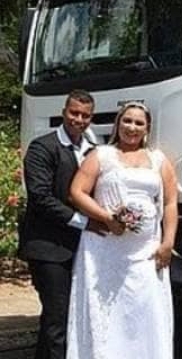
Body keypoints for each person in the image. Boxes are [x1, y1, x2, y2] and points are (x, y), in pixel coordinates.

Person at [67, 102, 178, 359]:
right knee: (107, 310)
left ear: (147, 128)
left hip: (147, 250)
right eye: (127, 121)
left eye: (139, 123)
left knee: (145, 309)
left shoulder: (158, 160)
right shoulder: (101, 155)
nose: (132, 127)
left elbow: (171, 202)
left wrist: (168, 243)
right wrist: (107, 218)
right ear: (118, 124)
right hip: (105, 248)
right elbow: (77, 192)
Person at [20, 89, 102, 359]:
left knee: (66, 317)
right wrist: (83, 222)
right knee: (58, 316)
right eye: (74, 113)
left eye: (85, 115)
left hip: (80, 247)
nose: (79, 119)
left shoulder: (93, 149)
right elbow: (40, 197)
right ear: (64, 112)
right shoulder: (42, 148)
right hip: (47, 247)